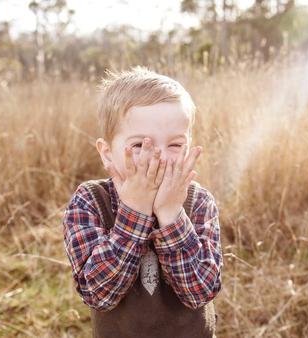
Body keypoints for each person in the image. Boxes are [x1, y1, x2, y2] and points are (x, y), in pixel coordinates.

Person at [61, 66, 223, 338]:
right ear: (107, 153)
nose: (158, 157)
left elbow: (201, 292)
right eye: (139, 146)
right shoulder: (90, 202)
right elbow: (99, 294)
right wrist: (134, 213)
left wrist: (171, 215)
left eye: (175, 145)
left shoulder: (199, 202)